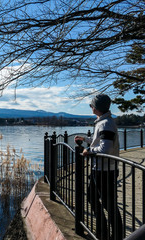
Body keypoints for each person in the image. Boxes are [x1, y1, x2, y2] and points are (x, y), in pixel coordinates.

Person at [75, 94, 123, 239]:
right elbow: (101, 142)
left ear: (96, 108)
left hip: (105, 170)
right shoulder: (103, 122)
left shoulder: (105, 124)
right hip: (101, 169)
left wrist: (88, 151)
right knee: (92, 198)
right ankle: (103, 232)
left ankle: (115, 235)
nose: (91, 107)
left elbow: (105, 149)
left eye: (91, 105)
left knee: (109, 205)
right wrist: (86, 139)